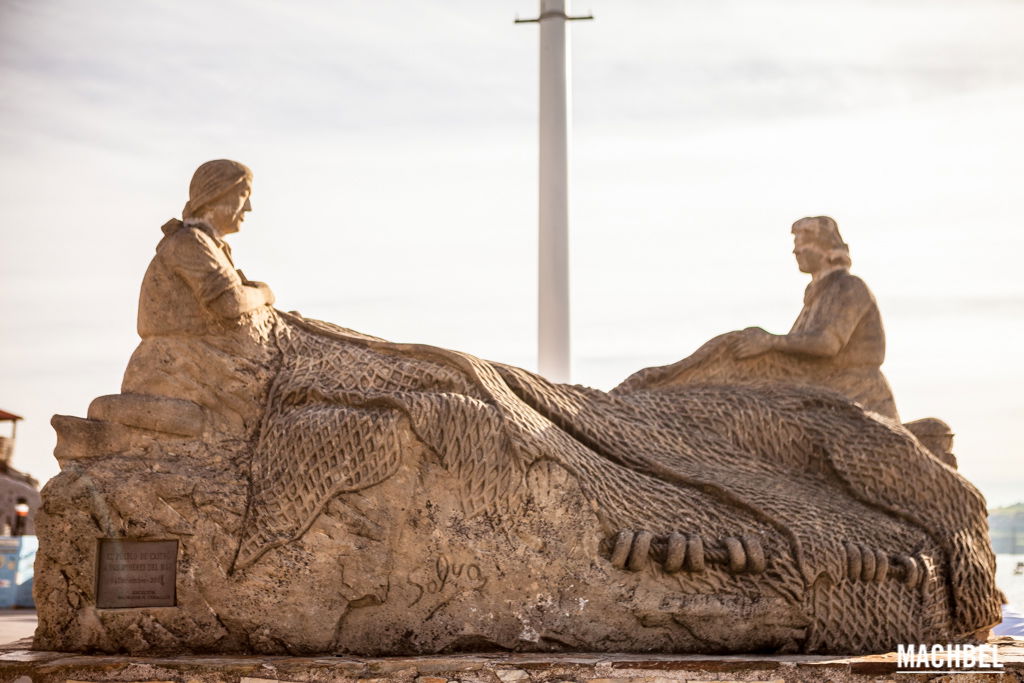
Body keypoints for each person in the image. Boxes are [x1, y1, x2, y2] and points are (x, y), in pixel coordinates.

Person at [119, 160, 278, 437]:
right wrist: (263, 294)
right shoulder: (190, 242)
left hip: (202, 358)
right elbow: (229, 303)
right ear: (216, 195)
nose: (248, 207)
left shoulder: (210, 245)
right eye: (243, 196)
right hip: (178, 364)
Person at [726, 216, 898, 419]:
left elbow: (827, 343)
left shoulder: (849, 287)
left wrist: (770, 341)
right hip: (825, 392)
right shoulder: (817, 295)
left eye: (804, 242)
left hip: (858, 397)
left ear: (827, 249)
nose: (796, 250)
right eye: (795, 243)